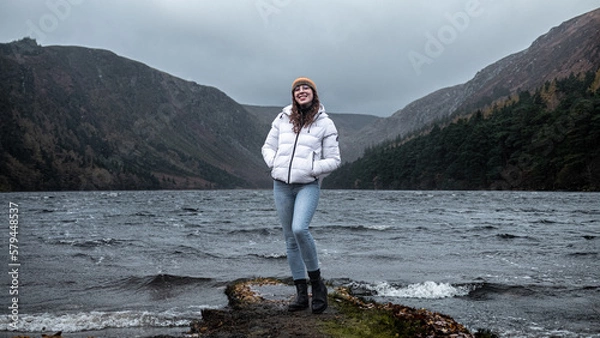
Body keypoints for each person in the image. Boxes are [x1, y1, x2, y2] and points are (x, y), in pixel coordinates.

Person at [261, 77, 341, 314]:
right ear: (293, 95)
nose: (301, 91)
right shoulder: (282, 118)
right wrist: (274, 165)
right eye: (297, 88)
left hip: (308, 185)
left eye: (306, 88)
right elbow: (267, 147)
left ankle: (317, 286)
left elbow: (334, 160)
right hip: (281, 185)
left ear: (314, 93)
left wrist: (311, 170)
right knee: (289, 239)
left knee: (299, 229)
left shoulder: (326, 124)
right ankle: (300, 294)